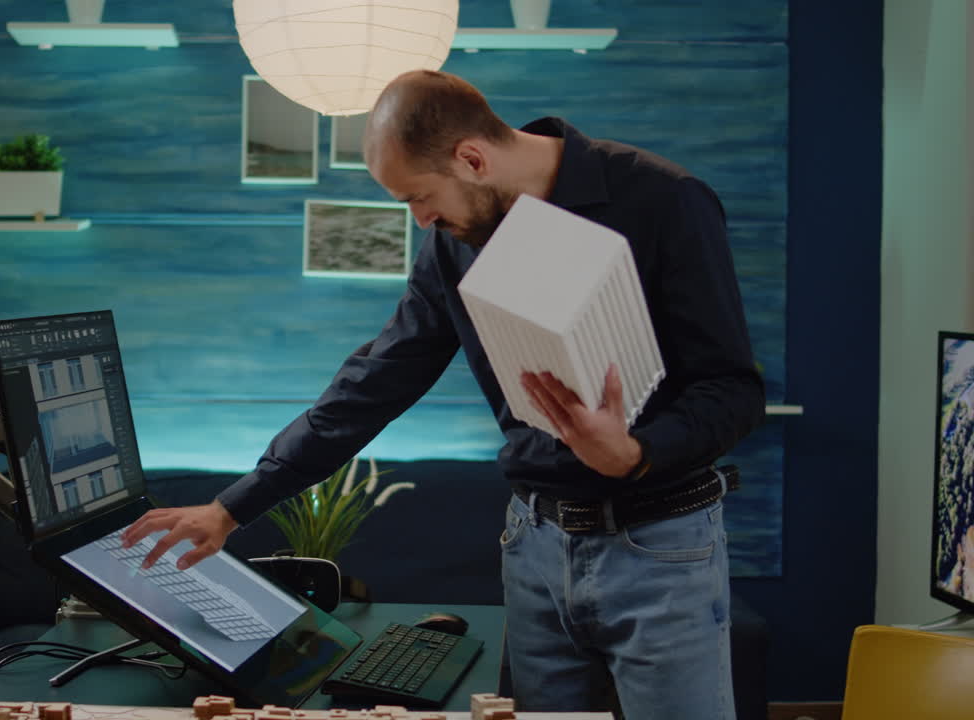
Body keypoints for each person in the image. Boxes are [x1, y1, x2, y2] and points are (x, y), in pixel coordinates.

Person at [122, 69, 766, 719]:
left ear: (472, 158)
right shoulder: (453, 240)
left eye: (419, 197)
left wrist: (634, 452)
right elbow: (377, 379)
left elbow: (733, 389)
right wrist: (233, 507)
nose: (421, 218)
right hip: (533, 546)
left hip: (661, 546)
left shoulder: (666, 199)